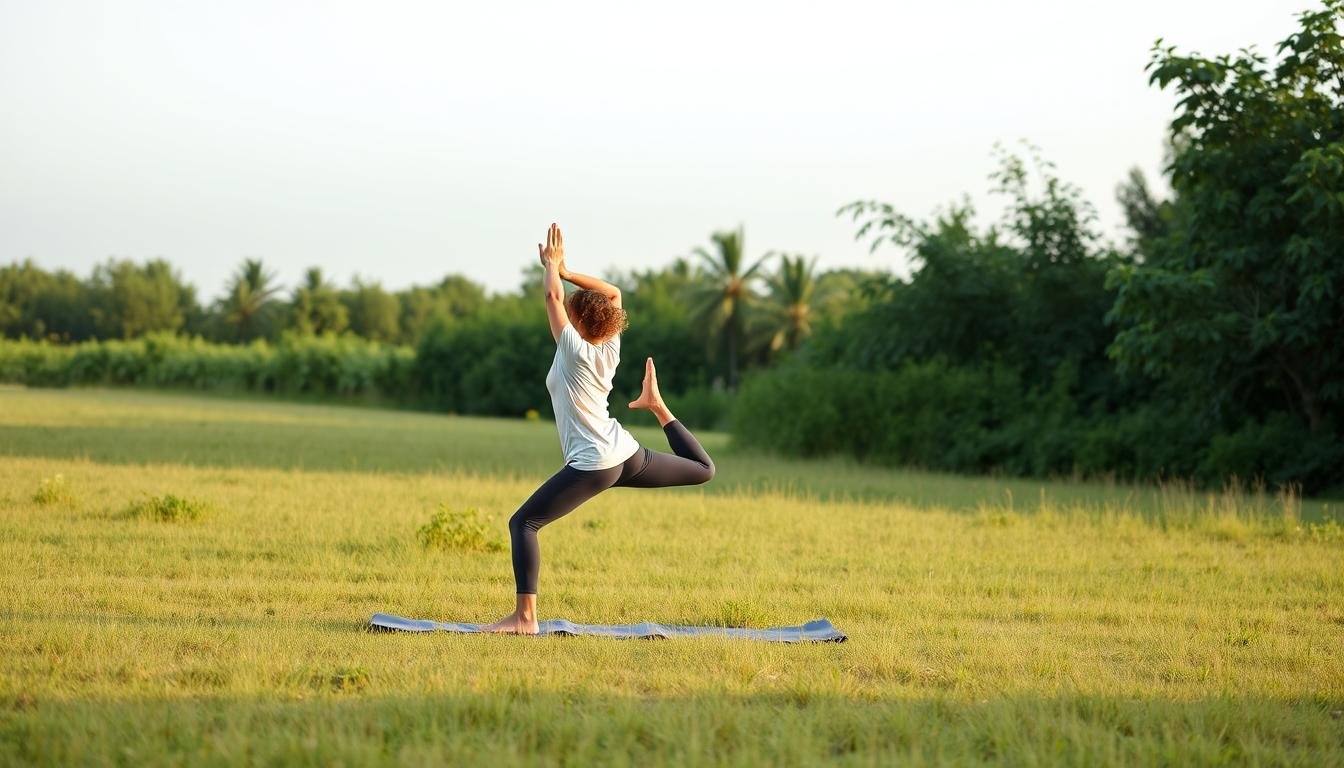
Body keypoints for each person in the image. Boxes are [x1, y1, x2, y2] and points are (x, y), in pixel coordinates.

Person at [483, 223, 716, 634]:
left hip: (594, 463)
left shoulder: (573, 349)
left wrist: (553, 267)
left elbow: (552, 295)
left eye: (570, 308)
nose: (565, 306)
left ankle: (525, 618)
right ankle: (659, 407)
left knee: (524, 524)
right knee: (703, 470)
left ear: (575, 323)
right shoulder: (608, 347)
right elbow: (614, 295)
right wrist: (568, 270)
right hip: (625, 454)